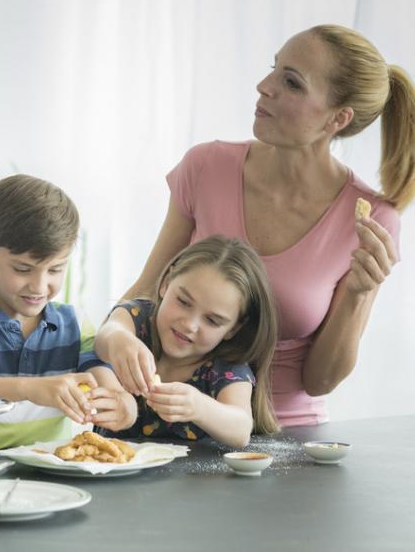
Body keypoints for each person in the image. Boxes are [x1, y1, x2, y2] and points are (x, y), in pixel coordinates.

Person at [96, 24, 414, 426]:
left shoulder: (371, 218)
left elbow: (320, 381)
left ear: (338, 118)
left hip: (287, 433)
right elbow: (146, 290)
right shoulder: (206, 167)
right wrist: (116, 342)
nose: (264, 86)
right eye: (273, 68)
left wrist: (360, 293)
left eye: (292, 83)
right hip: (168, 422)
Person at [0, 175, 137, 448]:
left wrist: (125, 408)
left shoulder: (74, 324)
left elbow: (113, 392)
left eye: (55, 269)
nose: (39, 286)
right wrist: (30, 389)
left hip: (56, 471)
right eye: (22, 269)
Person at [97, 236, 278, 448]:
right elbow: (107, 334)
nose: (190, 325)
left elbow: (241, 430)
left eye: (212, 320)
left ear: (234, 329)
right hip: (109, 472)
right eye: (183, 302)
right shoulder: (138, 319)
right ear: (166, 283)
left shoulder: (226, 366)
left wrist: (199, 406)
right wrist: (120, 339)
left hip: (191, 481)